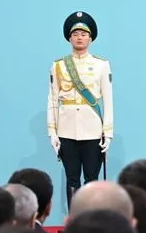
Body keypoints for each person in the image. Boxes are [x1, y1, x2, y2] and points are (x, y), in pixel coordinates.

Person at [48, 11, 115, 206]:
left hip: (93, 130)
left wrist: (107, 133)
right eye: (75, 34)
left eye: (84, 34)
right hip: (67, 129)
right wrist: (52, 132)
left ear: (91, 38)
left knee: (92, 179)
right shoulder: (59, 65)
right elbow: (52, 100)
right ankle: (74, 221)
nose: (79, 37)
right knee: (72, 178)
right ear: (69, 38)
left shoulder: (101, 65)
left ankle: (92, 221)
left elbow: (108, 101)